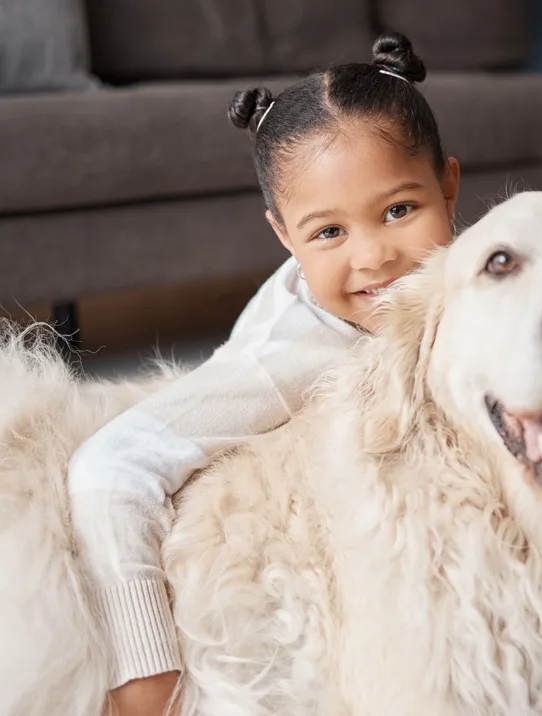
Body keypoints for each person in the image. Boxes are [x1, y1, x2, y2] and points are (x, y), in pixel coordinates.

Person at [66, 32, 461, 715]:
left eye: (400, 210)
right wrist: (144, 672)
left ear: (450, 187)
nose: (374, 257)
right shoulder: (291, 360)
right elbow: (111, 467)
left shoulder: (462, 272)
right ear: (284, 235)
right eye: (328, 233)